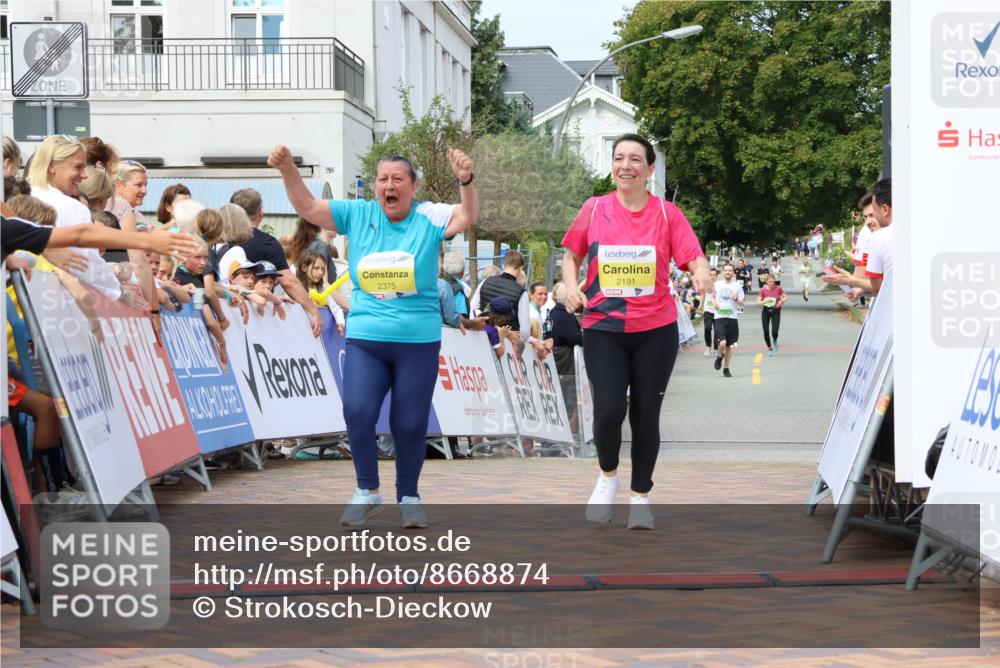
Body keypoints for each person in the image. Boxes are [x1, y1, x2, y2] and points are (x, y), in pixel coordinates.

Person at [270, 143, 478, 529]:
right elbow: (309, 209)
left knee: (410, 422)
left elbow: (467, 215)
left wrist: (465, 180)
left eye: (398, 179)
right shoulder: (360, 213)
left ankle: (409, 496)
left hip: (417, 340)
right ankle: (367, 490)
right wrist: (287, 170)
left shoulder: (428, 215)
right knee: (358, 410)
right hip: (367, 336)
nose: (389, 185)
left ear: (413, 187)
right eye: (383, 179)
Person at [561, 133, 709, 530]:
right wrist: (571, 286)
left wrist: (701, 273)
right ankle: (608, 476)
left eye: (634, 159)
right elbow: (571, 256)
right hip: (603, 327)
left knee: (647, 414)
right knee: (609, 409)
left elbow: (692, 256)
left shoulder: (666, 214)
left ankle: (641, 497)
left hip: (655, 329)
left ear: (650, 168)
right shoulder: (594, 209)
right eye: (618, 158)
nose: (625, 165)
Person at [230, 188, 322, 336]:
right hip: (256, 317)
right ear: (261, 212)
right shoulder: (268, 243)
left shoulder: (219, 239)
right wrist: (313, 310)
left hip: (226, 310)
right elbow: (288, 282)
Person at [470, 251, 548, 358]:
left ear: (504, 265)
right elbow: (525, 332)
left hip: (480, 340)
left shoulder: (485, 282)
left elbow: (472, 311)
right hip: (506, 349)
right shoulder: (521, 292)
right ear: (520, 269)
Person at [544, 282, 584, 432]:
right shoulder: (564, 315)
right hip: (564, 366)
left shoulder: (556, 312)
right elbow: (575, 338)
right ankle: (564, 435)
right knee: (567, 402)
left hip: (561, 365)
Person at [712, 261, 744, 377]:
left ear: (733, 272)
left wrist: (736, 299)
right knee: (722, 343)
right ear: (723, 272)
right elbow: (712, 296)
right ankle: (720, 355)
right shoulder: (717, 284)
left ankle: (726, 368)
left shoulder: (737, 286)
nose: (728, 272)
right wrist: (714, 304)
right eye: (726, 270)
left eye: (730, 270)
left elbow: (742, 303)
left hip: (732, 318)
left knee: (729, 346)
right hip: (720, 316)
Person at [286, 216, 338, 283]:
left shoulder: (312, 243)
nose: (338, 225)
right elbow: (324, 285)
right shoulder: (321, 246)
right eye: (334, 222)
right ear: (323, 223)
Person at [756, 275, 788, 356]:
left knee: (774, 331)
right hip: (766, 311)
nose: (771, 283)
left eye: (773, 282)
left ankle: (775, 339)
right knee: (766, 331)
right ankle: (770, 348)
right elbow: (757, 302)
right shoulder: (763, 290)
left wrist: (781, 302)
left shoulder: (778, 288)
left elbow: (786, 297)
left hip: (776, 311)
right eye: (770, 282)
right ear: (767, 281)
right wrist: (764, 301)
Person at [700, 267, 719, 357]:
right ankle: (708, 347)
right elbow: (702, 295)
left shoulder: (720, 285)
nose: (712, 276)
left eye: (714, 275)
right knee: (707, 328)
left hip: (718, 311)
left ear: (717, 276)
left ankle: (716, 348)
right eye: (710, 275)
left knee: (717, 330)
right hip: (708, 309)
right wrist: (700, 304)